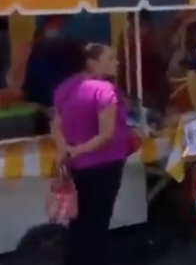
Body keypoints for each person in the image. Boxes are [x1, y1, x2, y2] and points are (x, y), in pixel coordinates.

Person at [51, 42, 133, 265]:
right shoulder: (105, 90)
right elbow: (106, 134)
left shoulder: (66, 87)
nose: (116, 63)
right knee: (97, 224)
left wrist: (65, 150)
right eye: (110, 59)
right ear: (92, 62)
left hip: (79, 165)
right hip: (105, 164)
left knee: (79, 223)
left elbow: (55, 125)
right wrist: (76, 149)